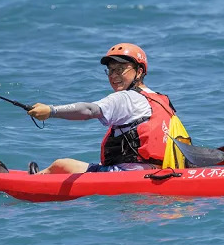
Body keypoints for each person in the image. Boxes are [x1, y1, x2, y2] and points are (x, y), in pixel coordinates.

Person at [19, 43, 189, 174]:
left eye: (120, 70)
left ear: (139, 72)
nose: (114, 76)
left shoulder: (125, 97)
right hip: (160, 170)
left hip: (131, 175)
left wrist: (51, 111)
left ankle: (31, 181)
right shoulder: (159, 99)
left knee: (61, 165)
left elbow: (90, 110)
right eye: (111, 70)